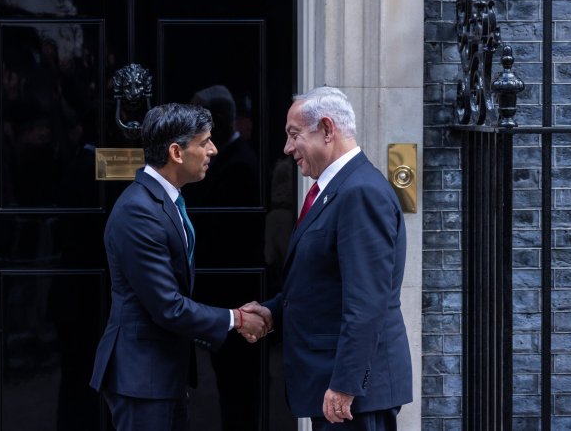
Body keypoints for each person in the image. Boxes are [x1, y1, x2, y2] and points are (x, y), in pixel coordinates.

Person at [89, 102, 268, 431]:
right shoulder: (138, 211)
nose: (213, 150)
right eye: (204, 143)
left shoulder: (166, 200)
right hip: (142, 378)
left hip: (162, 375)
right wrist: (237, 318)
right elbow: (167, 306)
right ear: (176, 152)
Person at [242, 86, 413, 430]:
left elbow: (366, 302)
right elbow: (325, 281)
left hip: (353, 397)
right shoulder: (336, 190)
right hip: (336, 387)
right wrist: (274, 312)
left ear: (327, 129)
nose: (287, 148)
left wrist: (345, 385)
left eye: (294, 135)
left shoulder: (360, 192)